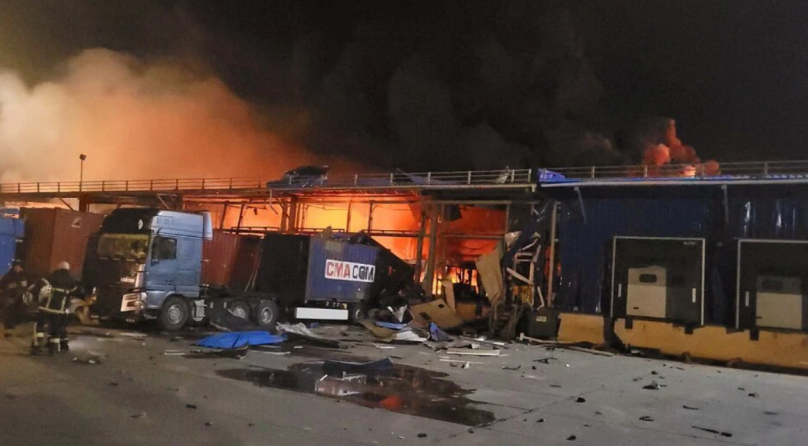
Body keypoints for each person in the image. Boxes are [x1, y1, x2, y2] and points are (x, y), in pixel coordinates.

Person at [29, 262, 79, 355]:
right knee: (56, 329)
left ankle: (37, 346)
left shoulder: (49, 277)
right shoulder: (72, 281)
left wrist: (35, 299)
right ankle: (53, 350)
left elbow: (36, 288)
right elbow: (75, 294)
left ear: (58, 267)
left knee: (39, 326)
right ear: (68, 269)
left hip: (45, 308)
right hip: (60, 310)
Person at [0, 260, 29, 338]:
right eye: (17, 266)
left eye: (19, 266)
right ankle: (8, 331)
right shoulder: (8, 276)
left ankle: (12, 331)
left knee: (16, 315)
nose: (18, 268)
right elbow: (2, 286)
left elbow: (25, 287)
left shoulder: (22, 276)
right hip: (9, 299)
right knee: (9, 315)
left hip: (19, 299)